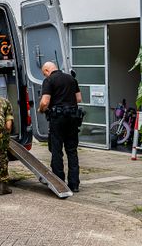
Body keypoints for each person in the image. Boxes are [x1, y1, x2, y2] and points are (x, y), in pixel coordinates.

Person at [39, 61, 83, 192]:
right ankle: (74, 184)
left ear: (47, 71)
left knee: (57, 150)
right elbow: (79, 99)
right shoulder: (71, 79)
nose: (45, 76)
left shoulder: (49, 80)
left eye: (44, 74)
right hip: (73, 118)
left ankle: (59, 183)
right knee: (72, 150)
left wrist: (41, 109)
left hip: (58, 119)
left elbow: (45, 101)